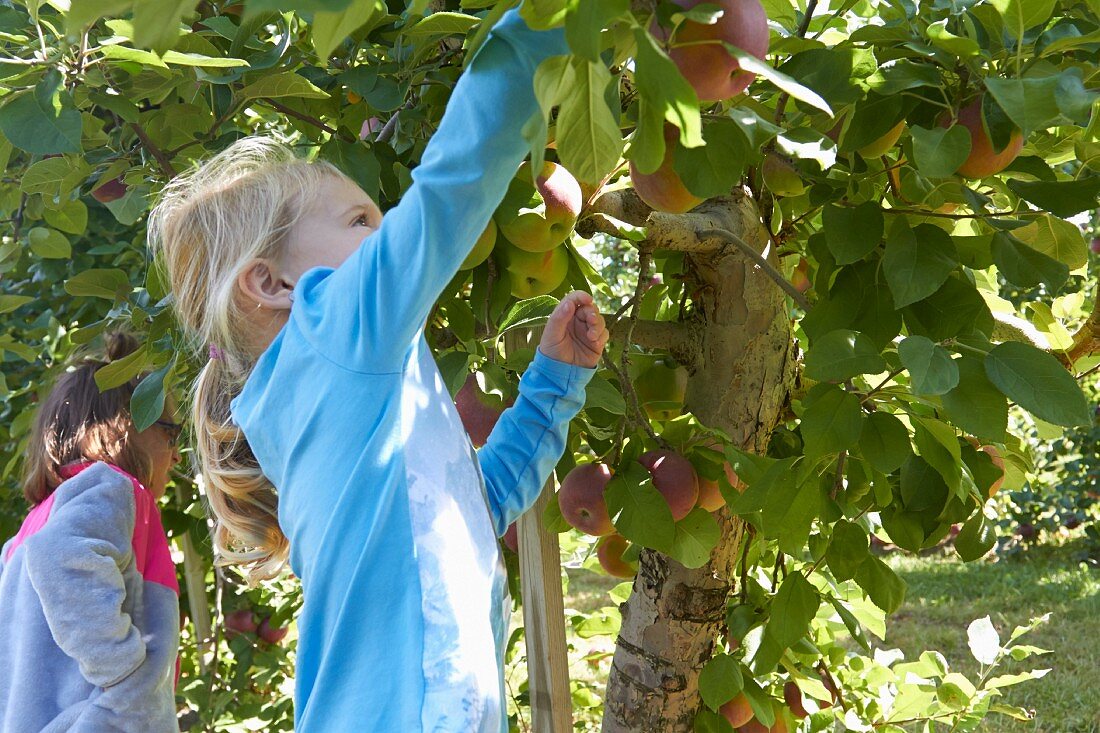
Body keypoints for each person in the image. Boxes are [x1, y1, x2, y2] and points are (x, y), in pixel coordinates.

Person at [147, 6, 608, 733]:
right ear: (274, 284)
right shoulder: (333, 329)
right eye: (362, 221)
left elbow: (470, 514)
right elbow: (450, 190)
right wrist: (539, 29)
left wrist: (552, 384)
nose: (388, 227)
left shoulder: (356, 390)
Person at [0, 333, 182, 732]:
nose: (176, 454)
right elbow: (59, 555)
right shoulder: (113, 488)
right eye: (170, 433)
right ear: (127, 428)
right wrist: (127, 679)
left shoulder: (28, 530)